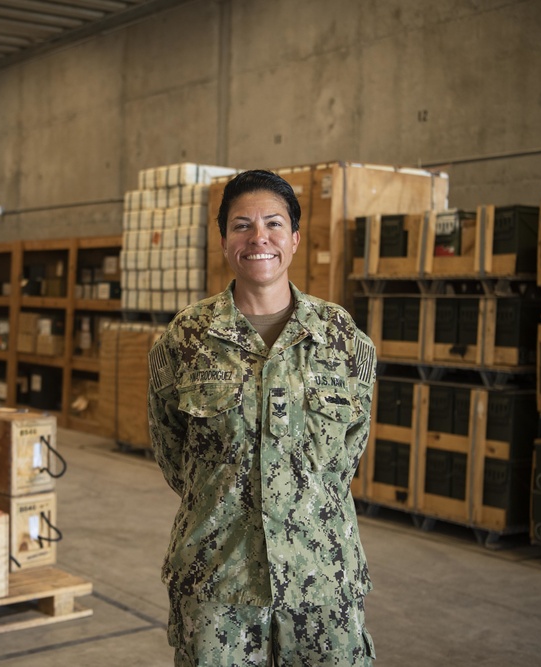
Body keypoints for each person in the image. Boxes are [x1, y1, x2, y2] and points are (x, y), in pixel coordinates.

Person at [147, 169, 377, 666]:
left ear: (294, 239)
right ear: (224, 241)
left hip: (323, 578)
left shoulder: (341, 337)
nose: (259, 238)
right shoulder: (186, 338)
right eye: (241, 225)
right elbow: (171, 451)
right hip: (218, 579)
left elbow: (350, 448)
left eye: (273, 224)